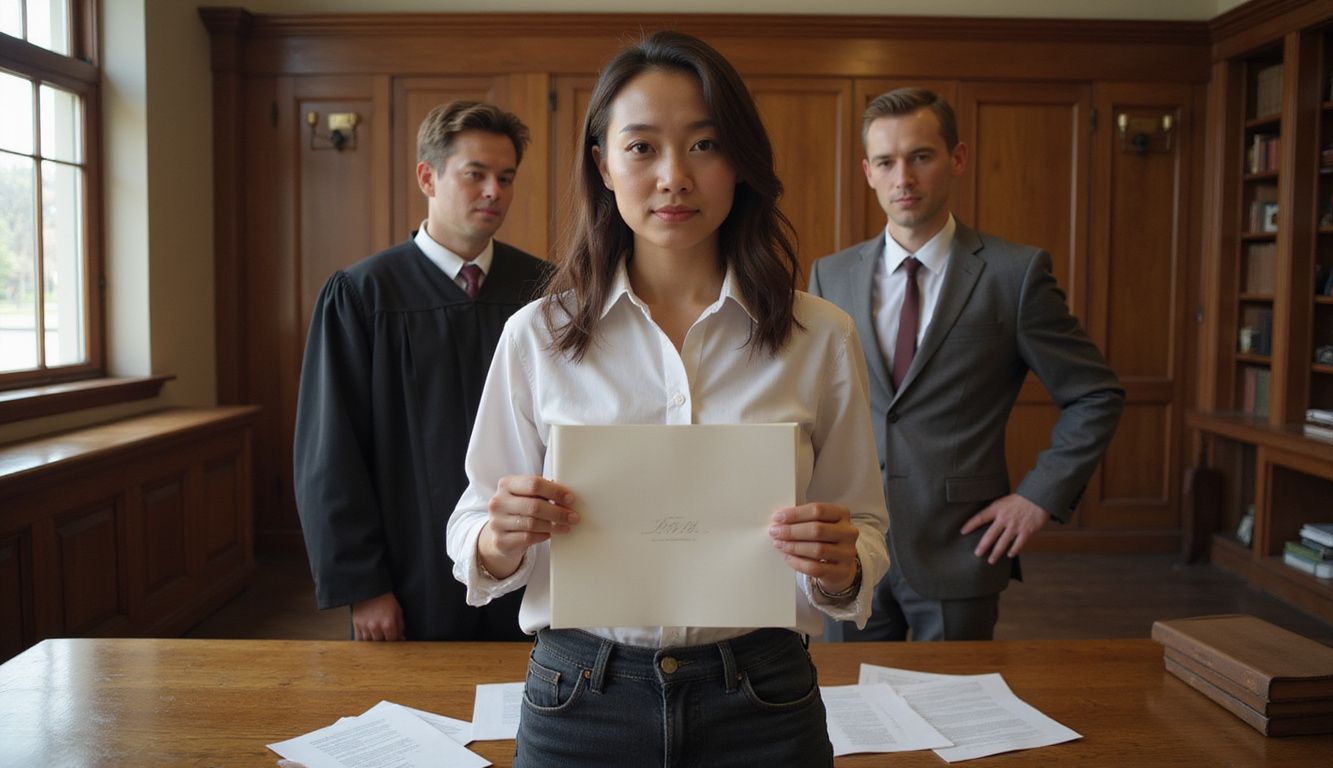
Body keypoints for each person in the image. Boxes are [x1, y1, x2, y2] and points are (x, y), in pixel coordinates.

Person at [445, 32, 889, 767]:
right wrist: (499, 537)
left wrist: (841, 565)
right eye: (642, 147)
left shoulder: (818, 335)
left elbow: (865, 527)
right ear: (604, 165)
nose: (674, 177)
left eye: (705, 144)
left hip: (763, 695)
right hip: (580, 695)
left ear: (739, 161)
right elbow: (472, 521)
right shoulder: (538, 336)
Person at [809, 88, 1124, 642]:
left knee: (955, 717)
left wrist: (1036, 497)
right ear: (868, 171)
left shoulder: (1014, 274)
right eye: (886, 161)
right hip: (849, 550)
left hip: (960, 546)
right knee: (849, 714)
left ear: (957, 158)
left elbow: (1095, 394)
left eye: (921, 156)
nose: (902, 177)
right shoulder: (829, 278)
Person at [293, 100, 550, 641]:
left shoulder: (545, 293)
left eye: (506, 178)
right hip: (409, 567)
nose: (493, 192)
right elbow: (331, 452)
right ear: (427, 177)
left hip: (528, 561)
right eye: (475, 174)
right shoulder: (363, 296)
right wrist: (363, 585)